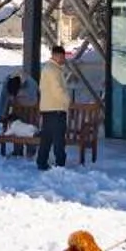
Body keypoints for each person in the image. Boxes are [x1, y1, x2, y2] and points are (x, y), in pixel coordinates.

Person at [36, 44, 72, 172]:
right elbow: (58, 90)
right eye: (62, 57)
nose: (64, 60)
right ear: (57, 56)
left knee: (47, 137)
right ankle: (60, 163)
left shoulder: (49, 68)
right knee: (58, 138)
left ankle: (42, 161)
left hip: (48, 108)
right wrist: (67, 101)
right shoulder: (53, 70)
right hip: (56, 108)